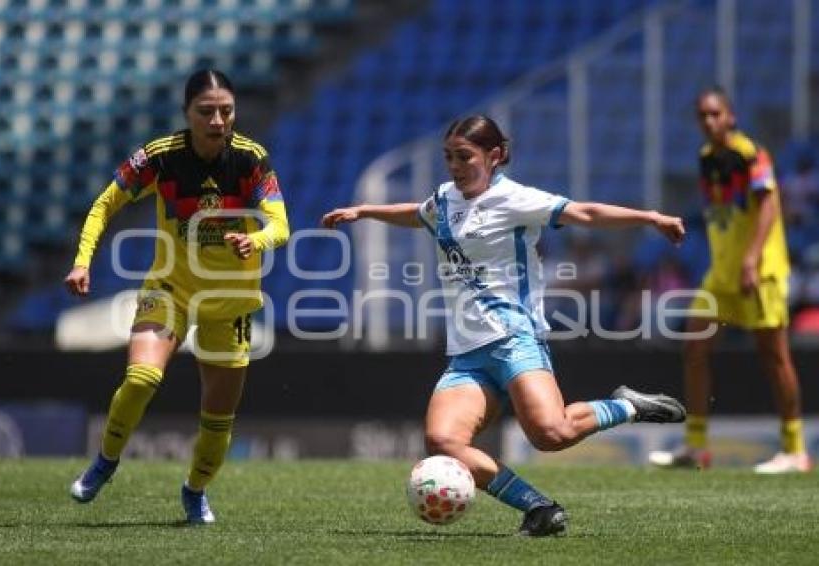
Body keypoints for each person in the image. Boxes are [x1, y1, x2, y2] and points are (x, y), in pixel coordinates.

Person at [322, 115, 687, 537]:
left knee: (551, 434)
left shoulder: (516, 200)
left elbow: (585, 212)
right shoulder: (443, 200)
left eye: (464, 157)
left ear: (494, 156)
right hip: (466, 354)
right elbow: (416, 214)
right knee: (442, 442)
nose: (455, 167)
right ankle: (539, 509)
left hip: (515, 339)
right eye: (448, 158)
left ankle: (628, 406)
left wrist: (651, 218)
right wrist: (363, 211)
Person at [64, 69, 290, 523]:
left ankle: (195, 490)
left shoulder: (251, 159)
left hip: (231, 300)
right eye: (206, 112)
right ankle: (106, 461)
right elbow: (106, 202)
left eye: (226, 111)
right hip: (171, 288)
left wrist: (258, 241)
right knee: (143, 378)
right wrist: (83, 259)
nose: (218, 120)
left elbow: (281, 225)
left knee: (217, 419)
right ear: (187, 114)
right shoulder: (159, 157)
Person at [648, 87, 812, 473]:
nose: (709, 121)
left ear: (731, 117)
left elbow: (769, 203)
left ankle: (795, 450)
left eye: (715, 114)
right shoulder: (706, 158)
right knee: (695, 347)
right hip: (721, 274)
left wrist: (752, 259)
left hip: (761, 271)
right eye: (703, 115)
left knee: (775, 357)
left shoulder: (750, 154)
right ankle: (696, 447)